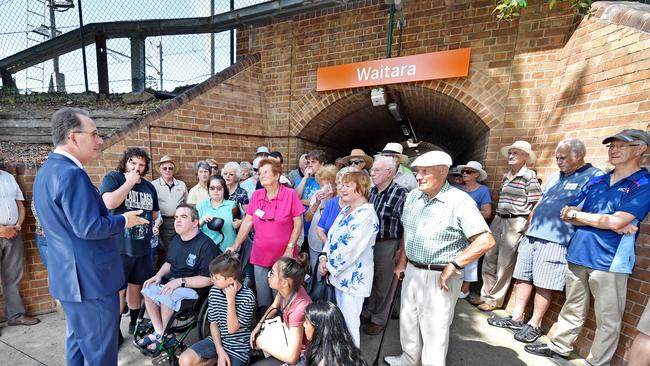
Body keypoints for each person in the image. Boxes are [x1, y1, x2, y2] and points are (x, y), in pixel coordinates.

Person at [33, 107, 149, 366]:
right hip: (91, 283)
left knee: (77, 345)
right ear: (73, 138)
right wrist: (124, 220)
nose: (100, 140)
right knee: (100, 356)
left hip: (70, 280)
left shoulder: (47, 171)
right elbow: (88, 228)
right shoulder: (72, 174)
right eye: (94, 134)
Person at [525, 129, 650, 366]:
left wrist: (597, 219)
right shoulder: (598, 179)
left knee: (607, 317)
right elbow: (567, 213)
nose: (613, 150)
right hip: (578, 251)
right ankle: (559, 347)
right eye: (611, 146)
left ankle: (597, 362)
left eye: (621, 146)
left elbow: (617, 221)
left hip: (610, 260)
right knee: (572, 306)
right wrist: (605, 221)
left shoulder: (643, 183)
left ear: (640, 149)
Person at [384, 150, 495, 366]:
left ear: (443, 172)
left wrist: (455, 265)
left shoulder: (459, 201)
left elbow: (485, 241)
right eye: (417, 171)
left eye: (425, 172)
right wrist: (401, 263)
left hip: (440, 276)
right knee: (408, 321)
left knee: (435, 330)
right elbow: (409, 231)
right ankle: (408, 360)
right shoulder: (414, 196)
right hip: (413, 270)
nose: (418, 176)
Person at [487, 139, 602, 343]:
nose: (558, 161)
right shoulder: (555, 176)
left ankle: (535, 324)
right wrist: (530, 225)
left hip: (556, 239)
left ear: (579, 155)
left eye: (563, 157)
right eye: (557, 157)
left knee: (544, 282)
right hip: (533, 234)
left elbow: (592, 208)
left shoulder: (595, 177)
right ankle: (517, 317)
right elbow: (541, 201)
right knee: (522, 277)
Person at [472, 140, 542, 312]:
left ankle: (495, 300)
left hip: (516, 220)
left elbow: (536, 201)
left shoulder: (529, 176)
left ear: (525, 156)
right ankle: (485, 295)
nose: (511, 156)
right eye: (510, 153)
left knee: (505, 261)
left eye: (516, 153)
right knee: (489, 257)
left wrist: (528, 223)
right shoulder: (505, 175)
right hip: (499, 218)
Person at [139, 204, 220, 352]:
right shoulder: (176, 240)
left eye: (183, 217)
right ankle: (161, 333)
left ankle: (164, 337)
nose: (177, 220)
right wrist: (158, 276)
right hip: (173, 282)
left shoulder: (206, 245)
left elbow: (209, 279)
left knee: (166, 294)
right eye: (176, 217)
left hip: (195, 290)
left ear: (195, 222)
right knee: (148, 288)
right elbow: (169, 263)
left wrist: (180, 282)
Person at [99, 147, 160, 343]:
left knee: (136, 287)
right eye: (133, 163)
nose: (137, 167)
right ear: (125, 162)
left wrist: (151, 225)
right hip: (118, 247)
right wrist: (129, 183)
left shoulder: (149, 187)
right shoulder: (114, 178)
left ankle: (134, 324)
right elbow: (108, 203)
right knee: (118, 290)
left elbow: (155, 213)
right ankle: (114, 330)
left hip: (142, 246)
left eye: (141, 165)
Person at [229, 158, 304, 308]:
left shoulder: (290, 195)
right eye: (259, 172)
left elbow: (298, 224)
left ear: (276, 175)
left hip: (284, 256)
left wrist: (290, 248)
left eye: (265, 172)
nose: (261, 175)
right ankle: (265, 324)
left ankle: (284, 326)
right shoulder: (257, 196)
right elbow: (248, 221)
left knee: (282, 296)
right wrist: (235, 245)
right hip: (261, 255)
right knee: (263, 297)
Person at [318, 170, 379, 347]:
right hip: (338, 275)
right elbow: (331, 238)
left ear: (360, 190)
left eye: (347, 185)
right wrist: (323, 258)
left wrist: (328, 265)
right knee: (340, 322)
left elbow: (350, 248)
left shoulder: (366, 215)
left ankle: (352, 358)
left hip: (353, 279)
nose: (341, 188)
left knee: (350, 323)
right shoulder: (346, 210)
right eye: (341, 184)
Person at [179, 252, 256, 366]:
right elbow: (213, 324)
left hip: (238, 346)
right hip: (217, 341)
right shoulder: (214, 291)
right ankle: (214, 360)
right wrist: (220, 351)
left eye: (216, 278)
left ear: (230, 280)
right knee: (184, 360)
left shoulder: (248, 297)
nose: (212, 280)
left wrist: (231, 300)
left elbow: (232, 329)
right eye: (211, 276)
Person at [361, 155, 407, 336]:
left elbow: (408, 226)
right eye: (372, 169)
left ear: (389, 173)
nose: (372, 173)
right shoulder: (372, 192)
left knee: (385, 285)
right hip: (370, 243)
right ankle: (369, 311)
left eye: (376, 170)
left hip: (388, 244)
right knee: (371, 280)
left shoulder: (400, 193)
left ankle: (379, 319)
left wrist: (401, 251)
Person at [0, 146, 38, 333]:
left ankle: (15, 316)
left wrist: (17, 226)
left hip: (14, 233)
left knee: (13, 277)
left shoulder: (8, 178)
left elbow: (20, 205)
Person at [251, 257, 312, 366]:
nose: (268, 275)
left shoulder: (298, 309)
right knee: (261, 311)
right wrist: (257, 327)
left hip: (300, 355)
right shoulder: (289, 288)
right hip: (287, 335)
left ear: (284, 282)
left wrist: (263, 343)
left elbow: (292, 357)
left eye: (272, 273)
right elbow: (275, 305)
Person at [455, 161, 492, 298]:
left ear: (476, 174)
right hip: (456, 229)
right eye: (463, 171)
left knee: (471, 258)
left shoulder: (483, 191)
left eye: (468, 171)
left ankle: (465, 288)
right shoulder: (457, 188)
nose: (464, 173)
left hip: (473, 229)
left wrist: (468, 214)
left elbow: (487, 212)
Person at [303, 301, 369, 366]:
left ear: (319, 329)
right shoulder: (349, 350)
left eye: (307, 322)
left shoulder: (326, 362)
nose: (304, 325)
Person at [304, 164, 337, 272]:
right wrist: (317, 202)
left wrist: (332, 199)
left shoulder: (341, 198)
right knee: (315, 271)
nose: (324, 188)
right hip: (315, 240)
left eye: (327, 184)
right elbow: (307, 218)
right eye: (321, 185)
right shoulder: (317, 194)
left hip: (331, 243)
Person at [153, 155, 188, 253]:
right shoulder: (154, 185)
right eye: (164, 168)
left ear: (173, 170)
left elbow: (187, 203)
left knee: (183, 246)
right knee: (169, 249)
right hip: (163, 222)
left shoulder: (181, 184)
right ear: (160, 170)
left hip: (181, 220)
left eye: (170, 168)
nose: (167, 170)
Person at [196, 175, 240, 252]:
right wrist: (202, 221)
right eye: (212, 188)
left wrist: (240, 222)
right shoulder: (201, 206)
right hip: (206, 250)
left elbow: (244, 220)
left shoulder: (233, 205)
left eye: (219, 188)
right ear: (208, 189)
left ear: (224, 189)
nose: (215, 190)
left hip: (228, 250)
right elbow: (192, 228)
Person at [315, 167, 350, 244]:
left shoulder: (359, 208)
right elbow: (319, 229)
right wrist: (329, 247)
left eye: (346, 185)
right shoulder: (331, 203)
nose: (340, 187)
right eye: (339, 183)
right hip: (327, 251)